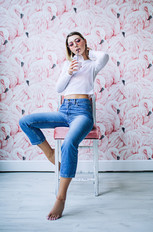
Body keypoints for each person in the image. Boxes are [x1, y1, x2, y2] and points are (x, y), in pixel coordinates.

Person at [19, 31, 109, 220]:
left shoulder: (92, 64)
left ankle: (61, 197)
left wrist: (86, 52)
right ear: (67, 48)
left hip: (82, 113)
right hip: (64, 110)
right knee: (25, 121)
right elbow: (59, 89)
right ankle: (51, 154)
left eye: (78, 41)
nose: (75, 45)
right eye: (71, 44)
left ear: (84, 42)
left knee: (69, 143)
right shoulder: (67, 65)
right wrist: (68, 72)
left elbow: (105, 56)